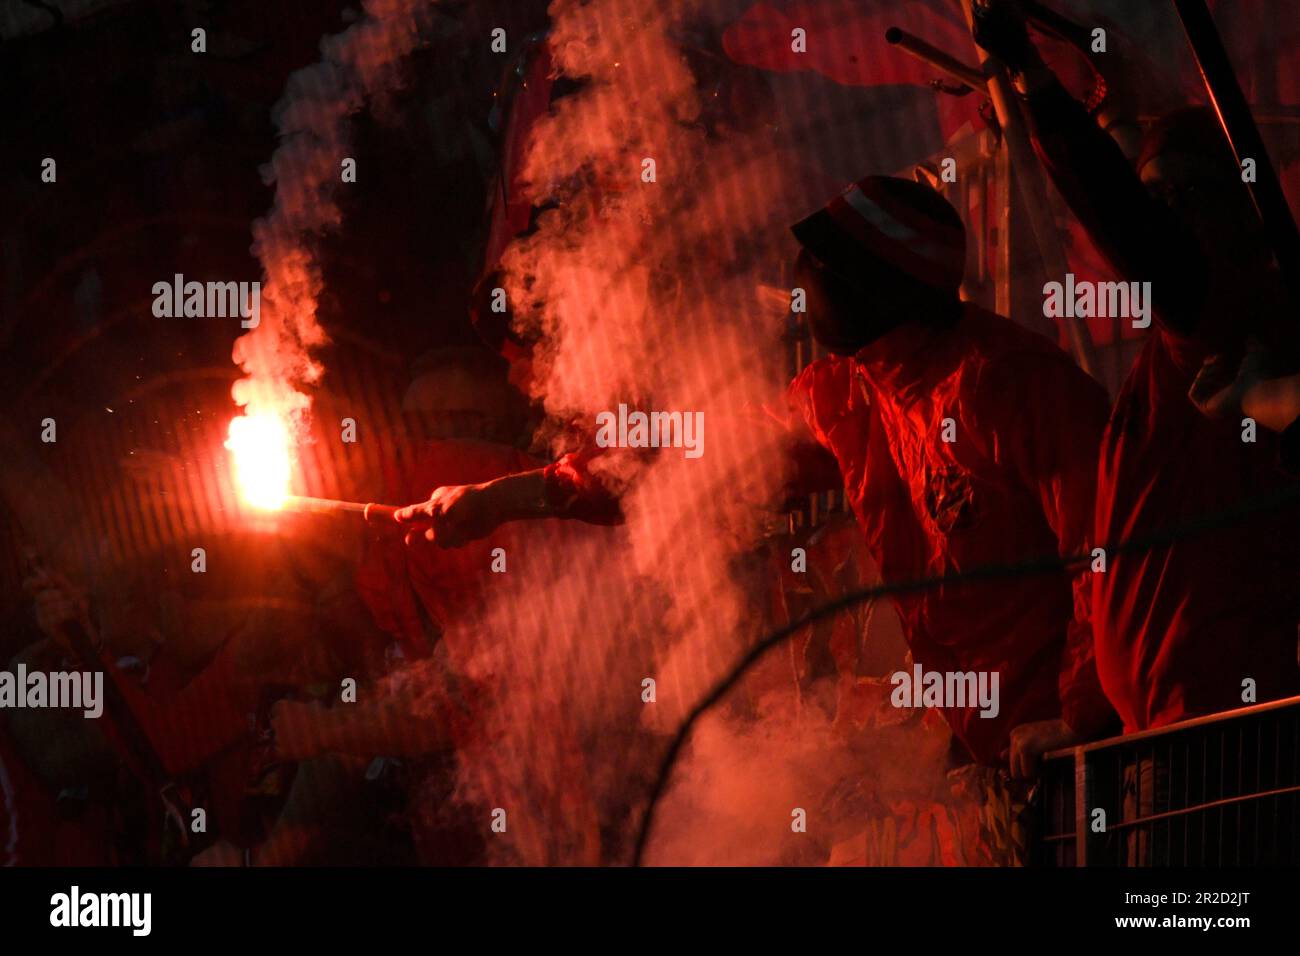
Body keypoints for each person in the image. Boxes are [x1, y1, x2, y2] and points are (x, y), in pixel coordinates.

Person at [397, 176, 1117, 788]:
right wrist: (499, 500)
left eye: (824, 264)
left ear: (878, 285)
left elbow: (1110, 554)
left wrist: (1074, 716)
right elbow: (683, 464)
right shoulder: (846, 391)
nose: (804, 277)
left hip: (1087, 746)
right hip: (1001, 752)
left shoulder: (1012, 385)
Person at [971, 0, 1300, 736]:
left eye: (1190, 196)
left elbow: (1122, 212)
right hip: (1167, 729)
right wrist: (1083, 713)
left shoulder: (1222, 319)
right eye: (1160, 199)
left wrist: (1036, 85)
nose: (1170, 215)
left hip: (1222, 741)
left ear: (1241, 209)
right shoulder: (1175, 353)